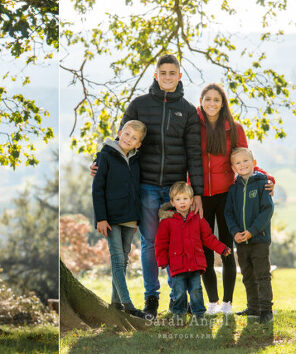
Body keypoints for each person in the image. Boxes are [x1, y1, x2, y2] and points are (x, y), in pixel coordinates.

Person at [93, 54, 204, 318]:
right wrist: (98, 163)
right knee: (151, 243)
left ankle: (178, 297)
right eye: (162, 72)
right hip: (146, 187)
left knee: (178, 243)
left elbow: (193, 154)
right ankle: (151, 298)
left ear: (179, 76)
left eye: (172, 73)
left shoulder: (188, 111)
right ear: (156, 75)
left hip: (176, 190)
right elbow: (121, 143)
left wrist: (196, 191)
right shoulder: (139, 105)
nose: (167, 77)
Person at [196, 83, 275, 315]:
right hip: (201, 196)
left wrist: (266, 177)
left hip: (227, 195)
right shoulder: (194, 127)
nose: (212, 103)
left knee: (227, 248)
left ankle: (228, 304)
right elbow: (190, 160)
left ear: (223, 103)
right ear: (201, 101)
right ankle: (213, 303)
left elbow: (245, 160)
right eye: (207, 99)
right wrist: (192, 191)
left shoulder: (235, 128)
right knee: (205, 248)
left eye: (216, 99)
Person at [92, 120, 148, 319]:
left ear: (138, 144)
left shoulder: (136, 159)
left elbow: (136, 189)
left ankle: (116, 303)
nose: (128, 139)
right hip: (111, 217)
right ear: (119, 133)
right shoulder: (105, 155)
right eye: (126, 134)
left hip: (130, 217)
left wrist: (137, 220)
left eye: (134, 138)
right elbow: (97, 189)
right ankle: (128, 305)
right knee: (117, 259)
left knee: (124, 259)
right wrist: (101, 218)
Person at [155, 182, 231, 318]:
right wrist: (162, 261)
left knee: (196, 290)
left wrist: (222, 248)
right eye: (178, 199)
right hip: (177, 264)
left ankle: (199, 314)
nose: (182, 202)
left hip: (195, 263)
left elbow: (208, 237)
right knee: (179, 292)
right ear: (172, 202)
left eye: (185, 199)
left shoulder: (198, 219)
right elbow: (161, 243)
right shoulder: (167, 222)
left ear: (191, 200)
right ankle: (178, 314)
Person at [224, 148, 275, 324]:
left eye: (246, 161)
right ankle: (253, 308)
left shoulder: (263, 184)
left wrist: (252, 230)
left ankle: (266, 310)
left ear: (253, 163)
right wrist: (235, 232)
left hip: (259, 239)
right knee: (247, 275)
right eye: (238, 163)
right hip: (241, 242)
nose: (243, 165)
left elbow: (267, 210)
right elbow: (228, 213)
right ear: (233, 168)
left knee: (262, 275)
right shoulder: (233, 189)